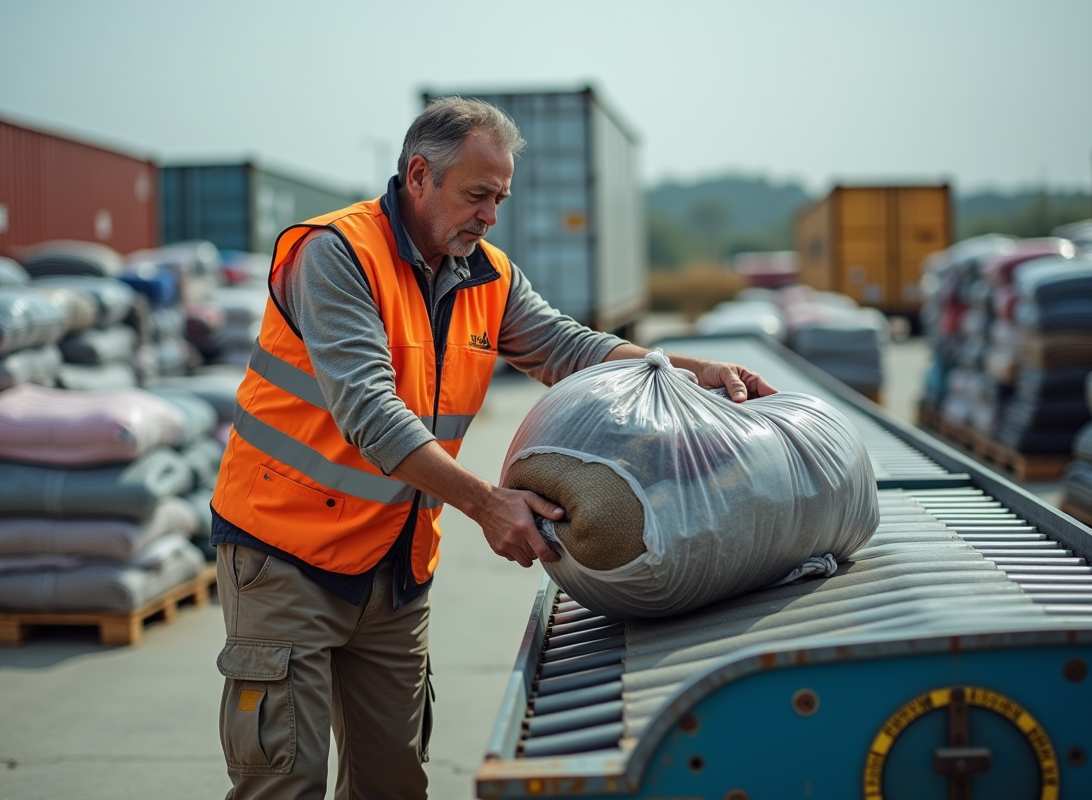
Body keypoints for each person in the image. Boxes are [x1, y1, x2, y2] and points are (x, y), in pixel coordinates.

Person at [209, 96, 777, 800]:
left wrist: (688, 371)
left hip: (393, 563)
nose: (490, 215)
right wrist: (486, 503)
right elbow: (370, 412)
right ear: (419, 176)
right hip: (285, 555)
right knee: (284, 779)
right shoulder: (335, 255)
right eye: (478, 195)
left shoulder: (487, 275)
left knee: (392, 780)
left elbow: (572, 350)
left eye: (499, 198)